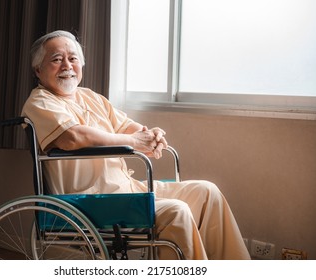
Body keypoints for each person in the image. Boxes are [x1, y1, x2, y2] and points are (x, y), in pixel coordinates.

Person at [21, 30, 251, 260]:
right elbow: (73, 137)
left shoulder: (90, 97)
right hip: (86, 201)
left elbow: (128, 126)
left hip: (127, 190)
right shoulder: (39, 102)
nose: (67, 66)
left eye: (72, 58)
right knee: (176, 211)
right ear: (38, 70)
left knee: (207, 191)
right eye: (56, 59)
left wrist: (151, 135)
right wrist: (133, 142)